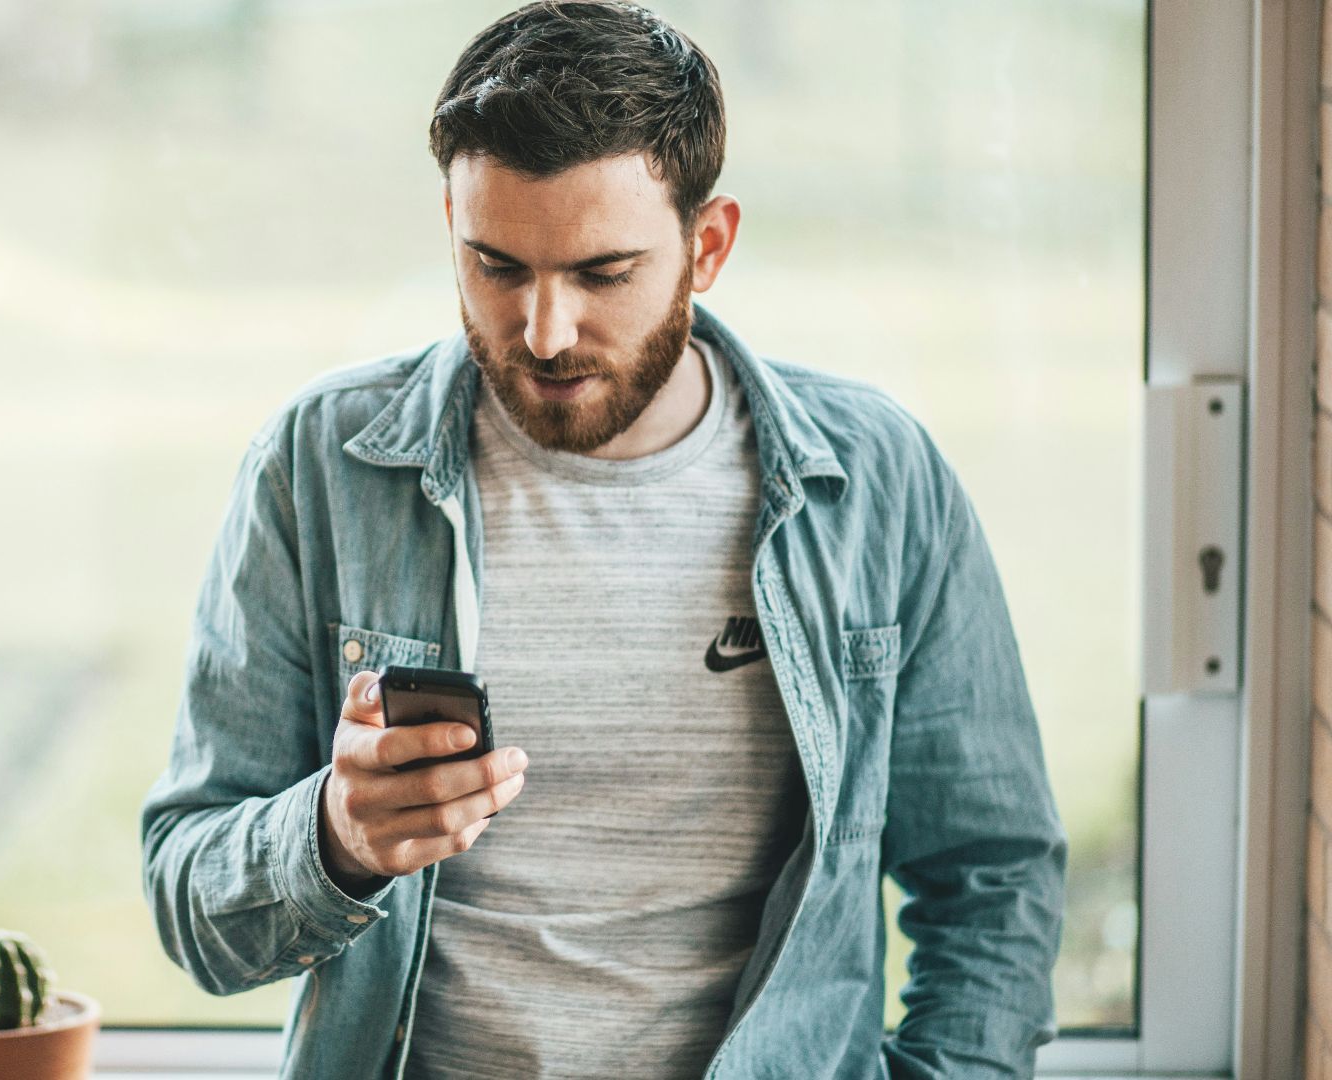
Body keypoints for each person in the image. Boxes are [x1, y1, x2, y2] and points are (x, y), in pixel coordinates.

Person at [140, 2, 1068, 1077]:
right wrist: (337, 839)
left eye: (601, 274)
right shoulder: (321, 466)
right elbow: (188, 900)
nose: (542, 332)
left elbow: (993, 875)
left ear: (706, 245)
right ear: (449, 218)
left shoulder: (877, 482)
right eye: (496, 266)